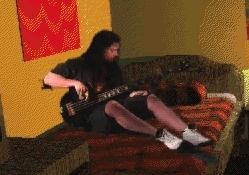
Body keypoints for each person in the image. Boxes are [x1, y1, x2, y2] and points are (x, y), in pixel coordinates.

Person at [43, 30, 211, 150]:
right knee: (112, 105)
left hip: (115, 107)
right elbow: (48, 79)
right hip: (89, 116)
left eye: (117, 50)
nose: (116, 54)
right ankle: (161, 135)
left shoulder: (113, 70)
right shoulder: (77, 65)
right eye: (113, 50)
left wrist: (133, 94)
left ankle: (187, 133)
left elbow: (123, 92)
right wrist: (74, 83)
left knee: (151, 99)